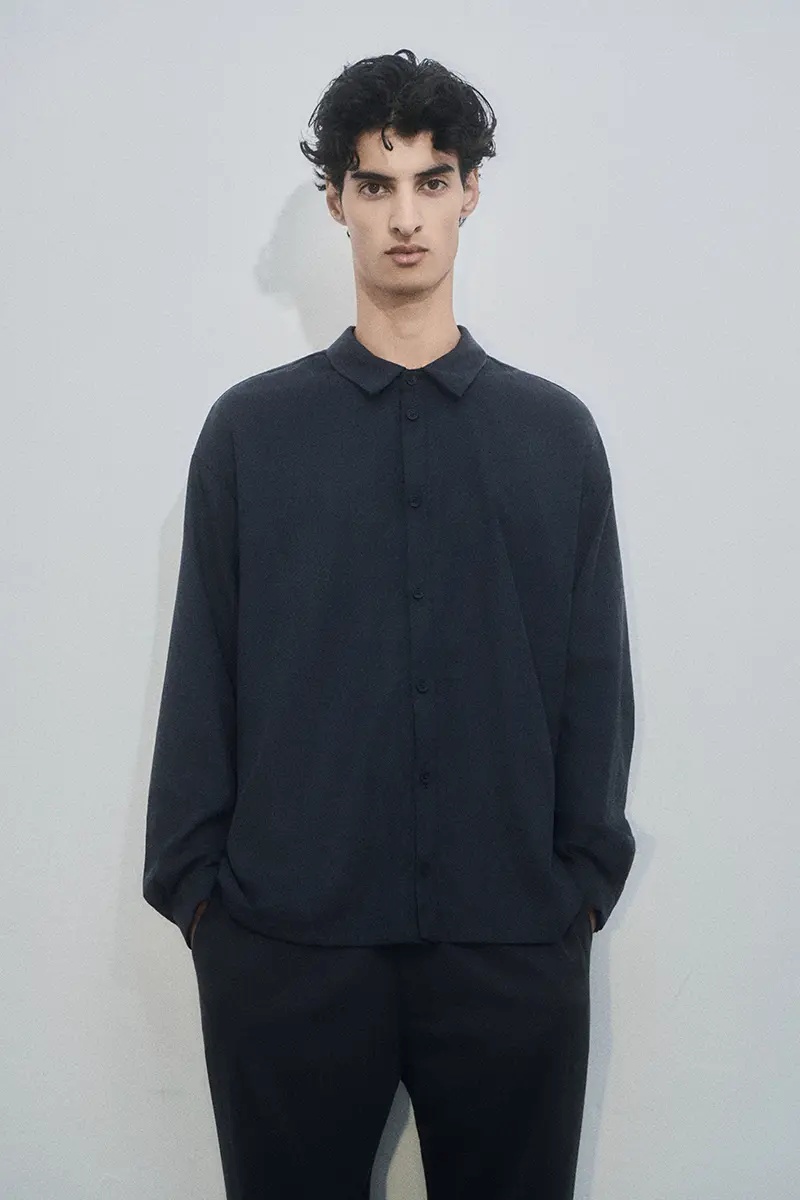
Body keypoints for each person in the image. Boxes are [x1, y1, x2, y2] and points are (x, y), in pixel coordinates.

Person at [143, 47, 636, 1200]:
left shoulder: (552, 436)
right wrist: (203, 902)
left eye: (430, 180)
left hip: (510, 948)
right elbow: (203, 668)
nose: (404, 216)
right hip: (286, 954)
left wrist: (575, 889)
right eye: (375, 183)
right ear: (336, 201)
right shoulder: (251, 435)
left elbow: (592, 682)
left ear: (469, 193)